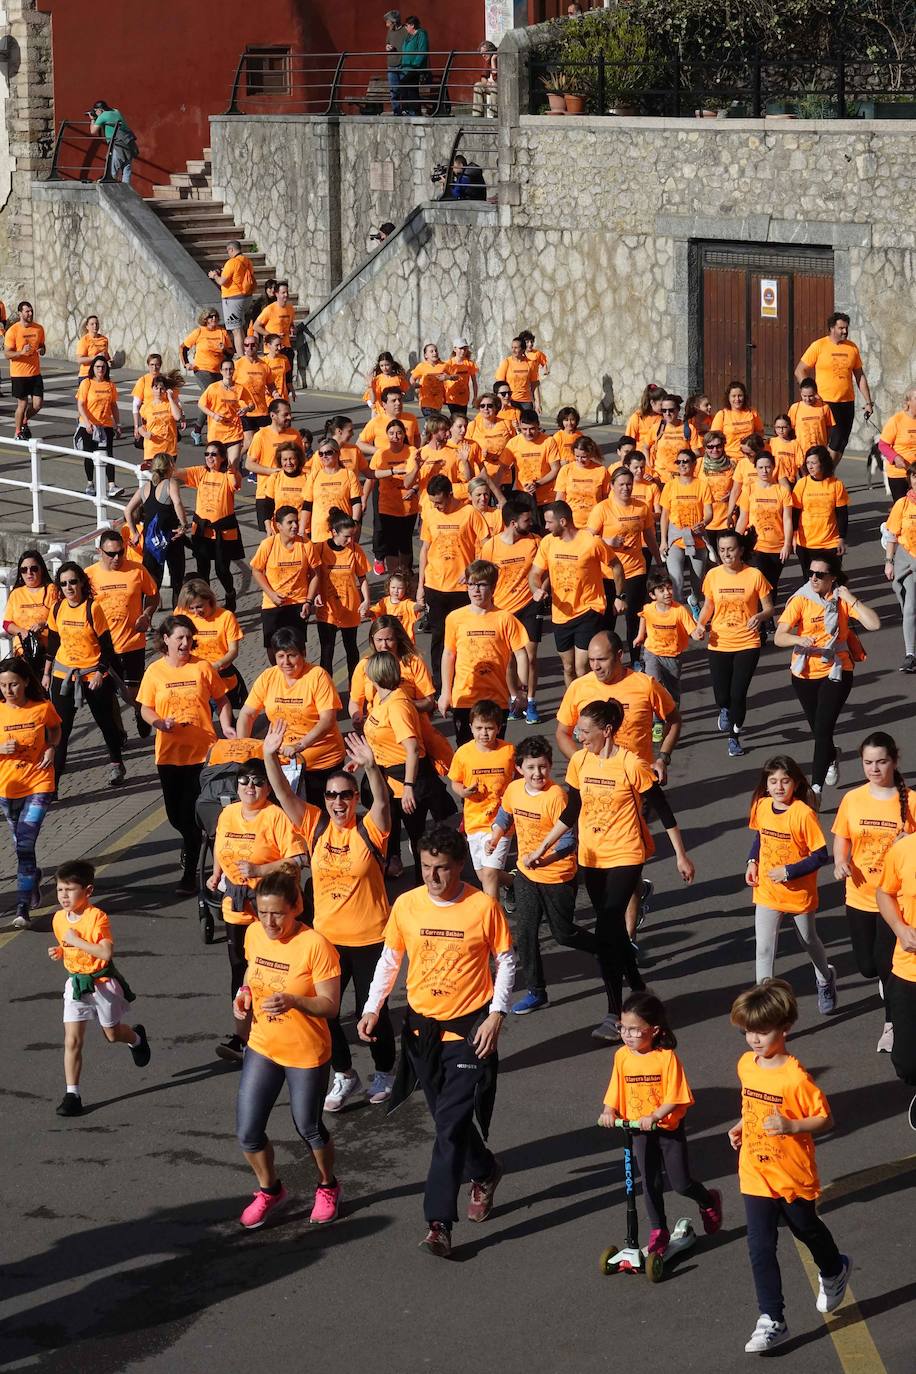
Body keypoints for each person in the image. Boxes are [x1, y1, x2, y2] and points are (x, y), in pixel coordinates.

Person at [357, 825, 515, 1259]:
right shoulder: (406, 905)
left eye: (442, 868)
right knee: (450, 1123)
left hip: (469, 1035)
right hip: (421, 1033)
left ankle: (438, 1224)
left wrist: (497, 1016)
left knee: (448, 1129)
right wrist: (373, 1008)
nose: (433, 877)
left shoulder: (482, 907)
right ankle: (485, 1170)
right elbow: (390, 960)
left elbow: (506, 960)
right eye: (426, 868)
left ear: (459, 866)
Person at [525, 699, 693, 1041]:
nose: (579, 736)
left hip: (626, 855)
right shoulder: (580, 762)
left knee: (605, 930)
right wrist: (544, 847)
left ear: (606, 731)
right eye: (578, 730)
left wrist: (681, 855)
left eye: (585, 731)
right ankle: (640, 987)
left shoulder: (631, 763)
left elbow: (662, 808)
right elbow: (571, 811)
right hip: (592, 857)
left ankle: (615, 1013)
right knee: (614, 932)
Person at [263, 725, 398, 1110]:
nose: (339, 802)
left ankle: (385, 1070)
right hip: (326, 940)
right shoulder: (315, 825)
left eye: (346, 795)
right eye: (332, 795)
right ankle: (344, 1073)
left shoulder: (371, 829)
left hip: (371, 938)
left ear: (356, 798)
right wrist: (270, 756)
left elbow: (384, 806)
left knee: (371, 1012)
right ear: (324, 798)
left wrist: (372, 769)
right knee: (327, 1011)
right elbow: (284, 794)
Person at [728, 980, 851, 1354]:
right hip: (755, 1170)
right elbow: (751, 1105)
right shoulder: (747, 1065)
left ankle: (833, 1269)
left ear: (785, 1028)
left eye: (762, 1031)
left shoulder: (796, 1078)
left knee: (806, 1228)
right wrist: (739, 1126)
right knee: (760, 1246)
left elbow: (824, 1119)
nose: (753, 1039)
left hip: (791, 1173)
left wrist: (793, 1126)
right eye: (748, 1031)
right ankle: (772, 1319)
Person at [232, 869, 343, 1227]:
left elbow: (330, 1005)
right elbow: (251, 975)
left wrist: (295, 1000)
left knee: (308, 1126)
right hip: (263, 1045)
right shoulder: (252, 934)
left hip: (305, 1052)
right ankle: (270, 1190)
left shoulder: (316, 945)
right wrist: (244, 997)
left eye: (277, 913)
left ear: (296, 907)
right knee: (248, 1132)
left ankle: (327, 1186)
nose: (269, 921)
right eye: (262, 913)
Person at [599, 990, 722, 1255]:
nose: (627, 1035)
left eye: (635, 1030)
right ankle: (659, 1230)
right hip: (637, 1130)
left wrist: (654, 1116)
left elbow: (676, 1097)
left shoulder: (666, 1058)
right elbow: (616, 1088)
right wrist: (609, 1110)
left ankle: (707, 1199)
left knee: (680, 1183)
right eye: (623, 1028)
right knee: (649, 1182)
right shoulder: (622, 1056)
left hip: (667, 1129)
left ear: (654, 1030)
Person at [209, 756, 307, 1063]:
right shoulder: (227, 814)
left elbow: (298, 859)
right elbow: (219, 844)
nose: (250, 787)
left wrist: (259, 869)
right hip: (236, 906)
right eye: (244, 781)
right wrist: (216, 873)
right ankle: (243, 1036)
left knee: (275, 970)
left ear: (268, 786)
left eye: (258, 781)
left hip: (271, 910)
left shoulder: (275, 816)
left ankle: (285, 1027)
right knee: (240, 970)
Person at [488, 734, 594, 1014]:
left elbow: (570, 842)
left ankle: (609, 949)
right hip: (526, 875)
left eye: (543, 767)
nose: (538, 773)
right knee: (524, 933)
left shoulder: (557, 796)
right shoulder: (513, 790)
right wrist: (496, 836)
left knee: (564, 934)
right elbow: (505, 814)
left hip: (558, 877)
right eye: (531, 767)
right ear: (520, 769)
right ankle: (537, 991)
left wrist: (545, 859)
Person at [137, 614, 234, 892]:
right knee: (176, 817)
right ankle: (191, 844)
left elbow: (222, 699)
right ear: (165, 640)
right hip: (168, 755)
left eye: (188, 638)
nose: (184, 642)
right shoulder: (154, 672)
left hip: (203, 755)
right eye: (179, 637)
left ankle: (191, 874)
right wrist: (158, 722)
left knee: (197, 815)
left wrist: (226, 725)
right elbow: (145, 708)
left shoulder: (202, 668)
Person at [833, 732, 916, 1055]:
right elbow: (843, 836)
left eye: (881, 761)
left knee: (886, 965)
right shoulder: (853, 799)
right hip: (859, 895)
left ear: (894, 761)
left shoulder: (910, 801)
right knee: (867, 966)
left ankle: (892, 1023)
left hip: (894, 901)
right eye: (868, 762)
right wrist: (841, 861)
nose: (874, 768)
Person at [48, 858, 150, 1118]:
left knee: (112, 1035)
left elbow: (105, 952)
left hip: (102, 985)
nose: (64, 896)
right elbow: (68, 945)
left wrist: (75, 941)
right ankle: (73, 1095)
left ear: (88, 891)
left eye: (70, 889)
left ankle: (137, 1039)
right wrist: (61, 950)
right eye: (60, 889)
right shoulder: (59, 919)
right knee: (72, 1040)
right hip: (76, 984)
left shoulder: (97, 918)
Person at [774, 551, 880, 796]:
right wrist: (799, 638)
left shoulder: (841, 599)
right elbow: (779, 637)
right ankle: (831, 755)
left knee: (822, 729)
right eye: (811, 573)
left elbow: (874, 624)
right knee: (819, 730)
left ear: (832, 577)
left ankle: (816, 788)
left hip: (838, 670)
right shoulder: (801, 599)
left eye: (820, 575)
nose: (813, 578)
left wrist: (850, 598)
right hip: (804, 674)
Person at [745, 756, 835, 1009]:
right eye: (773, 781)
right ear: (766, 785)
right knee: (763, 949)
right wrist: (752, 861)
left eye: (785, 781)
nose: (779, 787)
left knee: (808, 940)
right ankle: (762, 1008)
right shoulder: (761, 806)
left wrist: (789, 871)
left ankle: (825, 978)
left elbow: (819, 856)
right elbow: (760, 837)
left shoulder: (803, 814)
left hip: (798, 893)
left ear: (795, 784)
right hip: (767, 891)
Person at [237, 625, 345, 809]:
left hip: (321, 764)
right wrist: (242, 747)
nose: (286, 662)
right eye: (280, 656)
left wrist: (300, 745)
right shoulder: (268, 677)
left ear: (303, 653)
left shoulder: (317, 676)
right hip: (283, 765)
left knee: (321, 819)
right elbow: (247, 714)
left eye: (291, 655)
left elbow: (328, 720)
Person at [362, 651, 451, 870]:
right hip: (390, 781)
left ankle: (429, 882)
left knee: (418, 839)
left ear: (374, 676)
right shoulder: (382, 699)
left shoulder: (397, 705)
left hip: (406, 782)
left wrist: (409, 787)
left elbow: (411, 749)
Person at [555, 632, 681, 783]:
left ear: (619, 655)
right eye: (591, 660)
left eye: (602, 659)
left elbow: (674, 721)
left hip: (637, 778)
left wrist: (663, 758)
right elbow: (562, 733)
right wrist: (581, 762)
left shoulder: (646, 685)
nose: (595, 666)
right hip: (596, 782)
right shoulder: (579, 687)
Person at [691, 530, 773, 759]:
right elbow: (708, 605)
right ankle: (725, 710)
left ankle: (734, 736)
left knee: (738, 694)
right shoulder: (713, 575)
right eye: (723, 550)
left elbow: (769, 607)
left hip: (748, 642)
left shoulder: (754, 575)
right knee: (722, 697)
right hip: (719, 642)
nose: (727, 554)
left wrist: (760, 617)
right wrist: (700, 625)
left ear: (741, 551)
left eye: (731, 549)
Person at [43, 562, 125, 787]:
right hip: (64, 674)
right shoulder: (57, 608)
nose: (69, 587)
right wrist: (47, 673)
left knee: (105, 722)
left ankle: (116, 763)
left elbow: (107, 647)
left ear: (82, 583)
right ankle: (54, 784)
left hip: (92, 675)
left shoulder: (93, 608)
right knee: (61, 729)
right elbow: (53, 642)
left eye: (73, 582)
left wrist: (100, 672)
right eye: (64, 584)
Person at [531, 501, 624, 685]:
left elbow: (616, 565)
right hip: (561, 614)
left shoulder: (591, 541)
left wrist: (620, 597)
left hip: (589, 609)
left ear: (563, 522)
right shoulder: (548, 543)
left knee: (582, 667)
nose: (546, 527)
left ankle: (589, 705)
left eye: (549, 522)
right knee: (568, 668)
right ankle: (573, 704)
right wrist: (536, 589)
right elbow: (535, 572)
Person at [440, 559, 528, 747]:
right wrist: (445, 692)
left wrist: (521, 691)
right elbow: (449, 655)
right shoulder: (455, 618)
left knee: (494, 749)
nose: (475, 590)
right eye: (471, 584)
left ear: (493, 587)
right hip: (464, 698)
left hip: (496, 698)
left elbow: (521, 654)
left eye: (481, 585)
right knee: (466, 751)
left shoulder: (505, 619)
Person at [0, 657, 60, 929]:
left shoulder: (42, 707)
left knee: (24, 844)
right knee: (21, 844)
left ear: (25, 681)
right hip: (7, 788)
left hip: (39, 783)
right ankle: (33, 875)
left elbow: (56, 729)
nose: (8, 691)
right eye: (3, 685)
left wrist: (51, 747)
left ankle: (22, 906)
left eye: (13, 684)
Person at [416, 475, 488, 689]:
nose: (436, 506)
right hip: (435, 586)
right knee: (439, 635)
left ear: (450, 495)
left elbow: (485, 546)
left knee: (464, 636)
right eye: (432, 502)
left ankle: (466, 679)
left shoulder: (470, 513)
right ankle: (439, 683)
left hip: (462, 588)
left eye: (440, 502)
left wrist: (472, 571)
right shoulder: (430, 514)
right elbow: (425, 549)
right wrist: (420, 585)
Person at [86, 528, 159, 737]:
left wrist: (147, 614)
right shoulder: (89, 575)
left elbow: (153, 596)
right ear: (100, 551)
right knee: (107, 694)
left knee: (131, 692)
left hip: (131, 643)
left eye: (121, 552)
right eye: (111, 554)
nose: (117, 558)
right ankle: (118, 734)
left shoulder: (137, 570)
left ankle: (139, 710)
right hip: (101, 646)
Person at [478, 497, 542, 723]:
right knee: (508, 660)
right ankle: (515, 698)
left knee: (531, 656)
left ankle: (531, 701)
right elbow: (482, 576)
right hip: (503, 610)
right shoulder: (491, 546)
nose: (531, 523)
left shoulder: (535, 541)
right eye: (526, 520)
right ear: (513, 523)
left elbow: (545, 570)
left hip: (529, 605)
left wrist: (541, 590)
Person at [588, 463, 659, 666]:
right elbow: (589, 538)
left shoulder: (641, 507)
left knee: (634, 618)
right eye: (621, 484)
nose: (626, 488)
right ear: (611, 486)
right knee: (608, 620)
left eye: (629, 484)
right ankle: (608, 659)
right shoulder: (602, 509)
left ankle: (636, 660)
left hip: (635, 569)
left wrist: (659, 561)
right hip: (607, 574)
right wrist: (608, 542)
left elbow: (649, 536)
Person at [447, 700, 515, 900]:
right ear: (470, 727)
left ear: (499, 728)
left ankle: (492, 919)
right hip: (474, 822)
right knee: (482, 874)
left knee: (490, 874)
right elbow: (455, 782)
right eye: (479, 728)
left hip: (501, 823)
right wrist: (464, 792)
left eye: (489, 728)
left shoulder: (509, 751)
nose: (484, 733)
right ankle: (514, 883)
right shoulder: (463, 753)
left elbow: (519, 779)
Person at [795, 310, 873, 465]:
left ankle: (827, 473)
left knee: (840, 443)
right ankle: (820, 475)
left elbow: (860, 376)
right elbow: (799, 370)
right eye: (841, 328)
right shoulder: (818, 346)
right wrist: (811, 393)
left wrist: (868, 402)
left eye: (846, 328)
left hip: (846, 403)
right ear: (831, 328)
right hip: (824, 403)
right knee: (824, 442)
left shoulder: (852, 348)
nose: (845, 331)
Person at [177, 439, 244, 610]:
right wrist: (160, 469)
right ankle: (207, 604)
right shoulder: (201, 472)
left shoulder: (228, 474)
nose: (209, 457)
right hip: (202, 531)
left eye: (213, 454)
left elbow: (236, 484)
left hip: (223, 532)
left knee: (222, 570)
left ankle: (230, 593)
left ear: (222, 457)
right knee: (203, 572)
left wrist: (232, 469)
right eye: (206, 454)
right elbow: (178, 473)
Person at [877, 822, 916, 1105]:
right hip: (908, 969)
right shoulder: (904, 850)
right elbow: (884, 892)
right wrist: (900, 928)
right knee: (907, 1061)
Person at [309, 510, 370, 688]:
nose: (350, 541)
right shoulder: (319, 549)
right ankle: (326, 690)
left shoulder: (355, 551)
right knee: (327, 651)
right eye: (346, 537)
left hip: (350, 607)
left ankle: (355, 688)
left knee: (351, 649)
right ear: (334, 532)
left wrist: (366, 600)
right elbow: (311, 575)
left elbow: (362, 577)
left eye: (352, 536)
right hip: (327, 608)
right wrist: (313, 596)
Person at [249, 504, 314, 653]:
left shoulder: (306, 545)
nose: (295, 526)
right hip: (273, 604)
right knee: (273, 648)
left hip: (298, 603)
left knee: (297, 648)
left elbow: (315, 573)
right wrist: (271, 594)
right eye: (290, 522)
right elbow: (257, 570)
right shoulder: (268, 544)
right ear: (278, 526)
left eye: (296, 521)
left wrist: (309, 601)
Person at [125, 454, 189, 602]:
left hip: (151, 540)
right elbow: (178, 503)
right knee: (177, 581)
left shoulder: (145, 487)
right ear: (170, 466)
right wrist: (184, 524)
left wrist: (134, 533)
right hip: (171, 537)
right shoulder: (170, 483)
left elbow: (127, 510)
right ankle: (177, 618)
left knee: (151, 583)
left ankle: (145, 621)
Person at [175, 578, 245, 710]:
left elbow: (233, 651)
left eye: (200, 606)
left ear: (210, 600)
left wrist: (217, 665)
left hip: (220, 677)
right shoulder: (182, 614)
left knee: (226, 720)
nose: (196, 613)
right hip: (194, 677)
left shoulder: (226, 617)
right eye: (192, 608)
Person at [735, 450, 794, 608]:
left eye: (768, 467)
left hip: (777, 546)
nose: (764, 471)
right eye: (760, 467)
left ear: (774, 468)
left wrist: (787, 544)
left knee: (772, 584)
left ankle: (768, 618)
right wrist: (734, 541)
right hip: (756, 545)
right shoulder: (749, 489)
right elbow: (743, 517)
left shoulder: (783, 491)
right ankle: (760, 622)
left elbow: (788, 519)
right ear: (755, 468)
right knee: (760, 583)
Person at [659, 448, 712, 613]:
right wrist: (663, 541)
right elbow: (664, 515)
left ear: (694, 464)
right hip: (676, 537)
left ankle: (694, 601)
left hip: (696, 537)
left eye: (685, 461)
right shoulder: (670, 486)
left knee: (697, 583)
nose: (682, 465)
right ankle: (677, 614)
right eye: (679, 462)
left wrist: (703, 523)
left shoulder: (702, 485)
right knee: (676, 581)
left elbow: (709, 513)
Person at [633, 571, 695, 710]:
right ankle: (657, 720)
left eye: (669, 588)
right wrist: (640, 636)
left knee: (672, 690)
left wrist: (698, 634)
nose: (667, 593)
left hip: (673, 656)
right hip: (653, 652)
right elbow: (644, 616)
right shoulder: (649, 608)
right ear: (653, 595)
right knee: (653, 685)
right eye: (661, 590)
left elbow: (692, 630)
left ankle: (673, 717)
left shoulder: (680, 610)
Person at [369, 418, 420, 575]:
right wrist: (363, 499)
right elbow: (371, 475)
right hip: (387, 505)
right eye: (391, 433)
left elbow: (418, 478)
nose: (395, 436)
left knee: (405, 542)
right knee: (390, 544)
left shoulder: (412, 452)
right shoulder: (381, 454)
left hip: (407, 506)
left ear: (404, 434)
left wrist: (414, 489)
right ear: (387, 436)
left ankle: (406, 574)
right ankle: (393, 576)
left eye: (399, 433)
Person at [791, 446, 849, 578]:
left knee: (831, 580)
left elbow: (842, 514)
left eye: (814, 463)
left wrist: (841, 538)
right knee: (809, 581)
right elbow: (795, 513)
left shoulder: (836, 484)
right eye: (808, 463)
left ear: (823, 463)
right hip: (805, 543)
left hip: (830, 543)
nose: (810, 467)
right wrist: (793, 537)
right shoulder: (802, 484)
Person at [246, 398, 302, 531]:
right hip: (266, 494)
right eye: (285, 415)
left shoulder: (295, 435)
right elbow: (249, 464)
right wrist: (272, 471)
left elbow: (302, 461)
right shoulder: (261, 435)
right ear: (273, 416)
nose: (290, 417)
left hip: (291, 494)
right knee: (271, 537)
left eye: (290, 413)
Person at [2, 549, 59, 676]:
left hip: (47, 653)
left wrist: (43, 624)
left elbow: (60, 617)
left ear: (42, 569)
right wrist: (23, 632)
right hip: (22, 653)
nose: (29, 573)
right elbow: (6, 624)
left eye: (34, 568)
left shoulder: (51, 590)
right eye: (24, 570)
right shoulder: (16, 593)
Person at [180, 308, 234, 441]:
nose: (213, 319)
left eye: (215, 316)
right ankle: (199, 431)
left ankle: (203, 430)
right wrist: (186, 363)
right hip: (202, 370)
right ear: (205, 319)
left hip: (219, 371)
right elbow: (183, 347)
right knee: (211, 398)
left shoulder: (222, 332)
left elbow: (231, 353)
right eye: (210, 317)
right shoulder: (199, 332)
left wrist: (225, 350)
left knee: (216, 400)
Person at [74, 356, 122, 498]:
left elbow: (114, 406)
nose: (100, 369)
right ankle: (90, 483)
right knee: (90, 456)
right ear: (93, 368)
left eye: (103, 367)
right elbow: (81, 404)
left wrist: (117, 424)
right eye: (98, 367)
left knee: (108, 455)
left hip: (105, 425)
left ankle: (112, 485)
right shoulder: (86, 383)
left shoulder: (110, 385)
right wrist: (88, 423)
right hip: (88, 426)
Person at [884, 461, 916, 671]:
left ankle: (910, 653)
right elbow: (892, 535)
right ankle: (911, 654)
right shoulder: (902, 504)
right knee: (909, 606)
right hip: (905, 558)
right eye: (914, 477)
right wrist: (889, 562)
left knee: (911, 606)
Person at [301, 437, 363, 543]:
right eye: (321, 454)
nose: (324, 456)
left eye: (328, 453)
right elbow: (307, 505)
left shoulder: (349, 475)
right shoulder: (314, 476)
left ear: (337, 453)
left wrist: (355, 522)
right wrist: (302, 529)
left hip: (342, 533)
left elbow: (356, 502)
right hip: (319, 533)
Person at [197, 357, 252, 472]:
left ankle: (230, 487)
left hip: (234, 433)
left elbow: (252, 405)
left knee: (232, 467)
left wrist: (246, 409)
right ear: (221, 371)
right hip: (216, 434)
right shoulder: (213, 388)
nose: (228, 372)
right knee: (215, 468)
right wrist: (213, 415)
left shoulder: (239, 388)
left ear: (234, 370)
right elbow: (201, 404)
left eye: (230, 369)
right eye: (225, 369)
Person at [208, 239, 256, 358]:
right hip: (246, 297)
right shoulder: (247, 261)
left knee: (236, 330)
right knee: (240, 328)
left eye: (228, 251)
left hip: (233, 299)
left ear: (231, 249)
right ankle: (246, 353)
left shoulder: (232, 262)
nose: (228, 254)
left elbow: (222, 281)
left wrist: (214, 276)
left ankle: (241, 357)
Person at [5, 301, 46, 440]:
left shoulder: (38, 329)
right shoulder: (13, 331)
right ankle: (17, 432)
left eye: (31, 310)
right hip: (19, 374)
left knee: (38, 404)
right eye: (27, 311)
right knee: (22, 404)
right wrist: (21, 353)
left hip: (35, 373)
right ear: (20, 313)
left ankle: (24, 420)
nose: (30, 313)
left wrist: (42, 350)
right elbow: (7, 354)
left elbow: (42, 346)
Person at [555, 435, 611, 529]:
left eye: (584, 457)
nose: (580, 460)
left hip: (594, 523)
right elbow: (560, 499)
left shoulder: (601, 471)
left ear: (591, 454)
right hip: (571, 523)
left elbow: (606, 499)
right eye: (577, 456)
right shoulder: (566, 470)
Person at [234, 335, 274, 453]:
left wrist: (275, 394)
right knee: (249, 443)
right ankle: (233, 464)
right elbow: (230, 386)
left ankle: (257, 467)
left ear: (258, 346)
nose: (249, 348)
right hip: (245, 410)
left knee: (266, 441)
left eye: (253, 345)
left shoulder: (264, 365)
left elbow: (270, 384)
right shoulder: (238, 365)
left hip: (261, 409)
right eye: (246, 345)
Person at [650, 395, 702, 485]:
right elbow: (645, 447)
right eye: (664, 410)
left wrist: (684, 459)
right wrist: (650, 466)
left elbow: (697, 453)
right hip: (661, 479)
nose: (667, 413)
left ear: (678, 410)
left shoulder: (689, 428)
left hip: (682, 477)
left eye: (671, 410)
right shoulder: (657, 428)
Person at [878, 386, 916, 504]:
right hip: (899, 474)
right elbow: (883, 445)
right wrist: (895, 457)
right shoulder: (896, 420)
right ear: (908, 402)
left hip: (915, 474)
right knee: (902, 507)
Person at [137, 372, 184, 467]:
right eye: (156, 388)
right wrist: (145, 434)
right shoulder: (145, 407)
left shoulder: (170, 404)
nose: (158, 391)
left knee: (167, 479)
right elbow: (142, 427)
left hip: (169, 449)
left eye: (162, 389)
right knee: (156, 478)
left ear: (166, 390)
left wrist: (170, 398)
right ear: (152, 389)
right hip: (153, 449)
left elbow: (178, 417)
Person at [711, 381, 764, 463]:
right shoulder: (722, 414)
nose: (737, 399)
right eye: (733, 396)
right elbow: (714, 439)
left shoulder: (752, 413)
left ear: (744, 397)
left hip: (749, 458)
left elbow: (760, 432)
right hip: (729, 458)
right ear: (728, 398)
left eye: (740, 396)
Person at [253, 281, 297, 376]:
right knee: (273, 379)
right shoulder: (269, 309)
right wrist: (271, 336)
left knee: (287, 380)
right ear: (276, 294)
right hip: (272, 350)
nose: (286, 295)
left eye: (287, 292)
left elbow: (291, 324)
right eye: (283, 293)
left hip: (286, 347)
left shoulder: (290, 308)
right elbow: (256, 326)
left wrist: (292, 328)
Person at [89, 100, 137, 184]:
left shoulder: (102, 116)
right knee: (126, 166)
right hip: (129, 140)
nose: (95, 112)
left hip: (118, 143)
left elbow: (93, 131)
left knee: (112, 164)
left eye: (95, 110)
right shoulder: (116, 111)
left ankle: (109, 183)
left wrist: (93, 119)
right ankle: (126, 188)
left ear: (100, 110)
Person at [788, 377, 835, 455]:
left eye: (810, 396)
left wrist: (825, 442)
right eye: (804, 396)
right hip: (800, 451)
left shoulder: (824, 407)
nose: (807, 399)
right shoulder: (795, 408)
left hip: (819, 451)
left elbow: (829, 427)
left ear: (816, 393)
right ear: (800, 393)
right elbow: (790, 429)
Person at [369, 571, 419, 643]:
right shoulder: (384, 602)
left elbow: (415, 607)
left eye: (400, 588)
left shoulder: (407, 603)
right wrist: (367, 612)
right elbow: (375, 611)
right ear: (388, 587)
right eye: (393, 587)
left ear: (406, 589)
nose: (396, 591)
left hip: (404, 640)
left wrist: (420, 603)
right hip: (387, 639)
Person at [496, 337, 537, 411]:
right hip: (510, 400)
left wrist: (537, 402)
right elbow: (500, 384)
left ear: (523, 349)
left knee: (526, 422)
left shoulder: (531, 363)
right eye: (512, 347)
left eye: (516, 348)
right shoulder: (506, 362)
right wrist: (502, 401)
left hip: (526, 402)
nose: (513, 350)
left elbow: (534, 384)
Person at [625, 382, 666, 457]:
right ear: (652, 402)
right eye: (661, 405)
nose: (665, 408)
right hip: (640, 459)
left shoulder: (664, 417)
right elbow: (628, 442)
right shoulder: (637, 417)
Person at [400, 15, 430, 113]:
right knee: (410, 88)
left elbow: (422, 51)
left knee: (408, 86)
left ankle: (412, 110)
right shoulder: (408, 37)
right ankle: (412, 109)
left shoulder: (421, 34)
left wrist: (415, 64)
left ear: (412, 25)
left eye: (406, 25)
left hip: (415, 68)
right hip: (406, 68)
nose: (405, 27)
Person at [443, 338, 479, 416]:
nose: (463, 351)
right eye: (460, 349)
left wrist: (475, 397)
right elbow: (441, 377)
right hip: (451, 398)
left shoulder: (469, 364)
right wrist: (449, 377)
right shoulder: (448, 363)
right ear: (455, 349)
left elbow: (474, 382)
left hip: (464, 397)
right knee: (456, 418)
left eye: (465, 349)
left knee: (462, 419)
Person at [383, 9, 407, 114]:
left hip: (403, 64)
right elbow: (387, 43)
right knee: (394, 91)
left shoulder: (405, 31)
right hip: (391, 65)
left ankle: (407, 110)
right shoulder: (390, 32)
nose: (387, 25)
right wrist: (387, 47)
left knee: (405, 90)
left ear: (394, 21)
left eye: (388, 22)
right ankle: (396, 112)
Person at [473, 41, 498, 117]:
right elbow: (483, 76)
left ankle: (495, 115)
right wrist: (486, 83)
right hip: (493, 85)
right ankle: (477, 114)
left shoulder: (497, 58)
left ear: (491, 51)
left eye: (485, 52)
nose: (483, 55)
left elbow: (496, 77)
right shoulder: (487, 61)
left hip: (502, 87)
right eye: (481, 53)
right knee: (477, 86)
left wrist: (493, 60)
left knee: (494, 86)